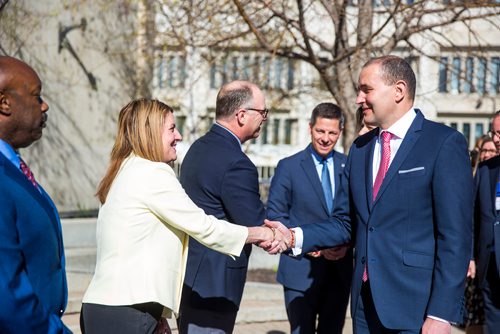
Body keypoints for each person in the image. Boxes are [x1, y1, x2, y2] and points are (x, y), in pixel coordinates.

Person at [268, 55, 473, 333]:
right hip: (364, 306)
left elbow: (455, 237)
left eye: (367, 89)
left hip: (416, 309)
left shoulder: (443, 143)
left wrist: (441, 314)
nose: (358, 99)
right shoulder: (361, 148)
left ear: (398, 91)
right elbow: (345, 222)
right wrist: (294, 237)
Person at [80, 99, 284, 334]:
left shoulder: (125, 169)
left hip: (104, 307)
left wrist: (156, 315)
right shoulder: (153, 173)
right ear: (150, 133)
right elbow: (204, 226)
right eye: (171, 129)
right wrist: (260, 232)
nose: (178, 136)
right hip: (128, 312)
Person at [177, 80, 269, 333]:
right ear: (242, 115)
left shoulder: (197, 149)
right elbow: (255, 222)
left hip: (190, 277)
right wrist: (294, 235)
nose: (264, 118)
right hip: (215, 285)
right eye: (262, 112)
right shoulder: (237, 162)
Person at [267, 102, 352, 334]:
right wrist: (306, 243)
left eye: (332, 132)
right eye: (320, 131)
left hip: (339, 273)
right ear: (310, 128)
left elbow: (358, 216)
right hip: (300, 271)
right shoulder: (288, 167)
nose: (326, 138)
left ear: (340, 132)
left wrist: (346, 245)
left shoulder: (350, 166)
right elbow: (275, 216)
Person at [0, 56, 71, 332]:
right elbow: (7, 295)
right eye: (36, 95)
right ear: (4, 102)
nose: (44, 105)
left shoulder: (12, 168)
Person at [473, 111, 500, 334]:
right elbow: (472, 217)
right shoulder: (485, 170)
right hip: (489, 263)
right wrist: (471, 256)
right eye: (494, 133)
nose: (496, 138)